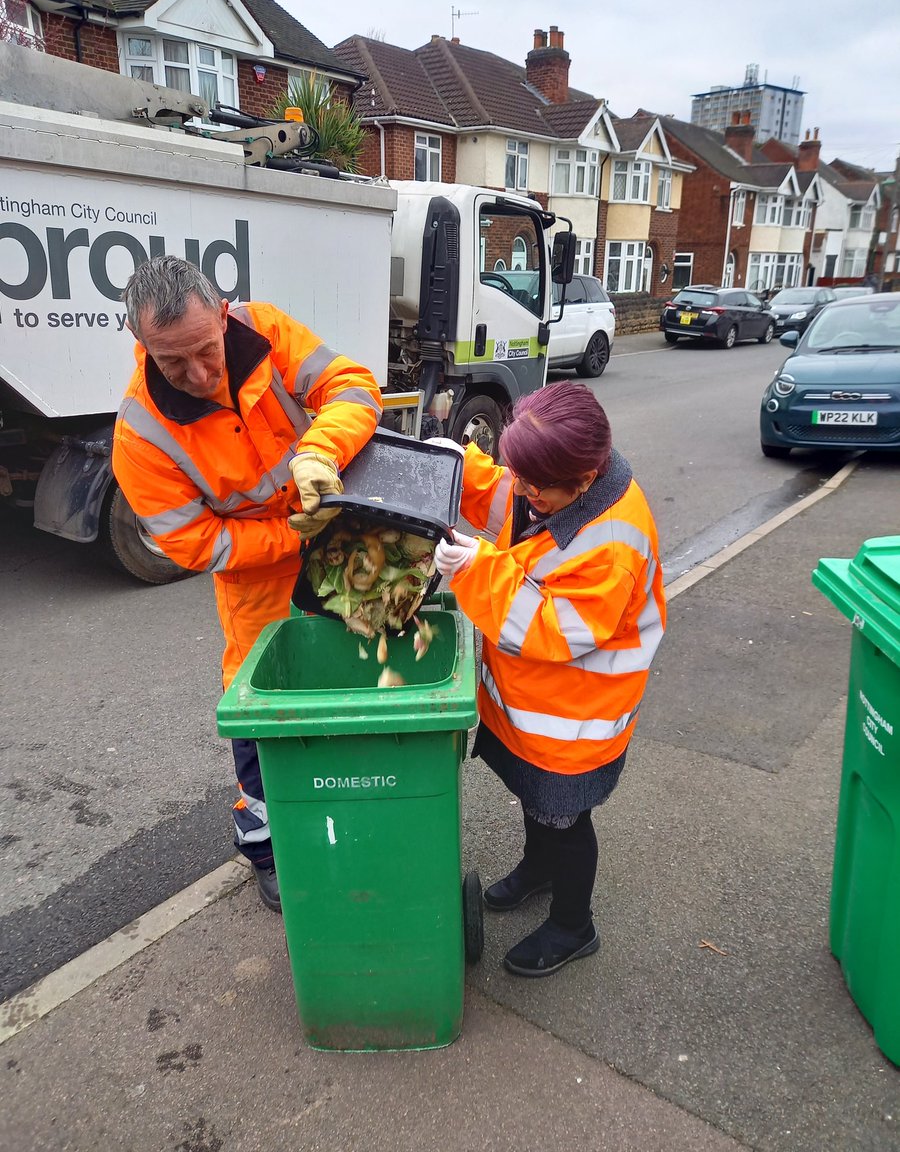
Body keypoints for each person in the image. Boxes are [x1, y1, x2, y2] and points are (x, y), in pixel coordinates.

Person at [112, 256, 382, 912]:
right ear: (141, 345)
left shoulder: (265, 331)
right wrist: (294, 535)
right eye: (174, 362)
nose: (199, 374)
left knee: (361, 676)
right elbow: (195, 543)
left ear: (224, 313)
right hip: (260, 578)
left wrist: (320, 451)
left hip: (339, 545)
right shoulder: (140, 434)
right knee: (263, 711)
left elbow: (353, 387)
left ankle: (358, 810)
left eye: (206, 349)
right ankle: (265, 850)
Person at [432, 381, 665, 977]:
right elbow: (508, 502)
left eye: (535, 485)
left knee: (565, 820)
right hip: (536, 703)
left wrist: (475, 570)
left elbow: (554, 629)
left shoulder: (611, 541)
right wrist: (457, 468)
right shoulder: (555, 483)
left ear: (583, 481)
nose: (523, 492)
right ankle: (538, 871)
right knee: (536, 801)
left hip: (576, 717)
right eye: (520, 474)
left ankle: (573, 925)